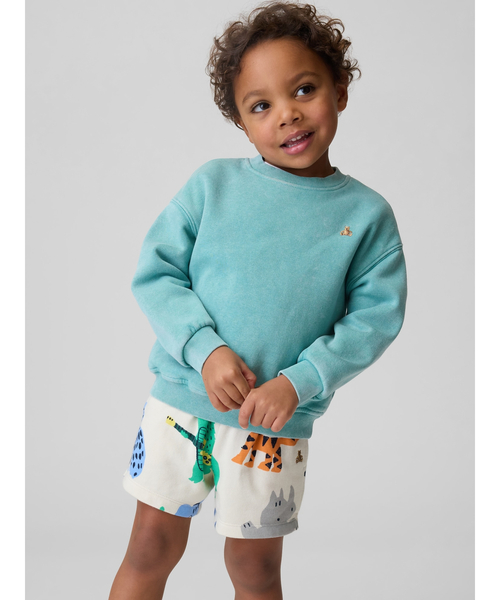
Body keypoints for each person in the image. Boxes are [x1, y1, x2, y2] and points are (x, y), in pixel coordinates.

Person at [109, 2, 408, 599]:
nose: (287, 113)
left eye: (304, 89)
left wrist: (300, 381)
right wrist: (204, 350)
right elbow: (157, 274)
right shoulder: (212, 186)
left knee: (254, 570)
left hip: (273, 428)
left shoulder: (366, 215)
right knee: (149, 547)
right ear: (241, 124)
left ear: (339, 90)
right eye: (261, 105)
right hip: (181, 408)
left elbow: (376, 319)